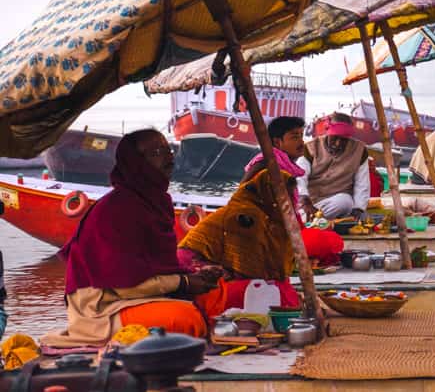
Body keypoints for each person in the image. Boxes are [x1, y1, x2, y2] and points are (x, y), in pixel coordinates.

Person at [42, 130, 214, 347]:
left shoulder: (153, 201)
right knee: (187, 319)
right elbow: (124, 284)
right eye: (156, 152)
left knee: (218, 296)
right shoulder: (119, 209)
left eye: (168, 150)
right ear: (135, 163)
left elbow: (157, 266)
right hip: (104, 308)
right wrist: (184, 282)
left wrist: (196, 275)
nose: (169, 157)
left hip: (136, 295)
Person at [178, 169, 302, 321]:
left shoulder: (265, 214)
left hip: (222, 269)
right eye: (284, 196)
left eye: (290, 195)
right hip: (195, 273)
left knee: (280, 290)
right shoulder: (246, 215)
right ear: (268, 192)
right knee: (273, 291)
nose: (288, 201)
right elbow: (248, 266)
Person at [239, 116, 345, 265]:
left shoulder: (283, 163)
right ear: (277, 142)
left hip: (284, 232)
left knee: (329, 237)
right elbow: (242, 194)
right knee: (329, 242)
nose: (301, 142)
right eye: (295, 137)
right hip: (266, 237)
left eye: (302, 136)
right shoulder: (266, 162)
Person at [297, 113, 371, 221]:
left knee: (345, 201)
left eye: (344, 140)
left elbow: (362, 184)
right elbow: (299, 177)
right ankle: (313, 219)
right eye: (334, 138)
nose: (338, 144)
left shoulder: (359, 151)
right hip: (311, 204)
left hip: (339, 205)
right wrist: (304, 200)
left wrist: (358, 209)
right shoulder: (310, 148)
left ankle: (315, 221)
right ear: (328, 132)